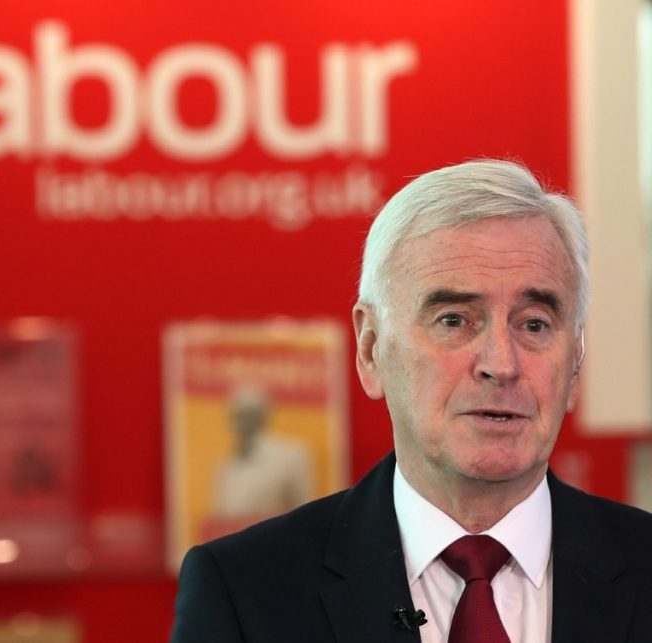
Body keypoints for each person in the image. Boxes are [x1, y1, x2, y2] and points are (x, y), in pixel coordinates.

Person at [169, 159, 652, 643]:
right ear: (371, 349)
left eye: (533, 324)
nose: (501, 365)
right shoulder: (244, 593)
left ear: (576, 361)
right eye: (454, 320)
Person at [212, 386, 314, 520]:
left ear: (262, 417)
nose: (239, 424)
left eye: (247, 415)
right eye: (235, 417)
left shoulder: (291, 455)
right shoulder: (226, 466)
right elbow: (219, 517)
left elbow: (304, 511)